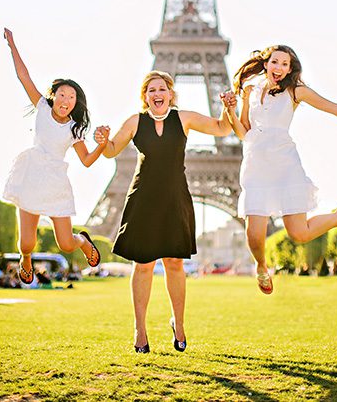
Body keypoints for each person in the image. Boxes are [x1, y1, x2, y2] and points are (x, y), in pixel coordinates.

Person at [227, 45, 337, 296]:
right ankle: (261, 267)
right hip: (255, 164)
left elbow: (335, 108)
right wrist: (230, 110)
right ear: (266, 64)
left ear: (290, 68)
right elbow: (243, 132)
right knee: (254, 232)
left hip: (285, 165)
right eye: (275, 62)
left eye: (285, 64)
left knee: (299, 233)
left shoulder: (296, 92)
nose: (280, 68)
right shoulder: (250, 91)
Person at [93, 70, 237, 353]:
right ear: (144, 97)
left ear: (171, 93)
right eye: (151, 90)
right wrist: (102, 140)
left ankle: (179, 324)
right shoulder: (135, 121)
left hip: (174, 198)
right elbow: (111, 151)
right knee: (143, 264)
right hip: (143, 198)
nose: (157, 94)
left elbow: (222, 128)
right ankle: (140, 329)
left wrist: (228, 107)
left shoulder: (184, 118)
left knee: (174, 263)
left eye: (162, 89)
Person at [1, 29, 105, 283]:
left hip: (55, 180)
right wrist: (12, 45)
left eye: (72, 97)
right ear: (53, 95)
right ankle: (26, 259)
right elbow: (23, 76)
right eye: (62, 94)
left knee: (67, 244)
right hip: (31, 173)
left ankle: (82, 240)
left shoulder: (74, 129)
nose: (66, 99)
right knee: (26, 243)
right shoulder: (42, 108)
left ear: (75, 103)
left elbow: (88, 160)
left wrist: (101, 144)